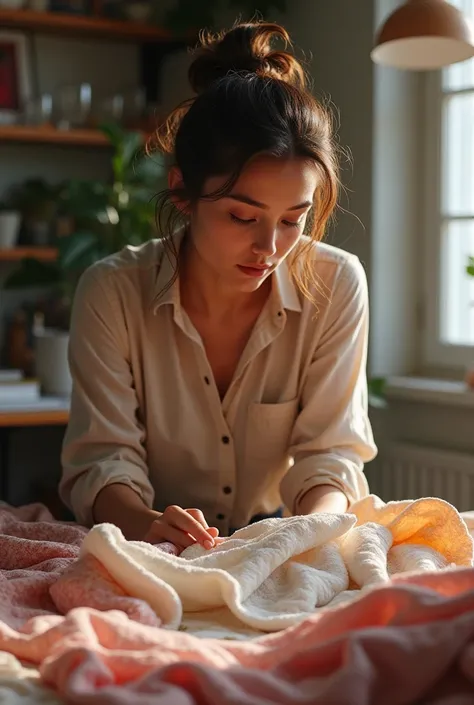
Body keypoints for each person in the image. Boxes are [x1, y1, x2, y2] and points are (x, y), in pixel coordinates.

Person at [59, 21, 377, 553]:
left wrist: (308, 533)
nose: (270, 249)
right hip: (148, 539)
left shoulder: (335, 283)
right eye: (241, 216)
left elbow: (331, 454)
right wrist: (146, 524)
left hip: (277, 535)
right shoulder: (112, 292)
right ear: (181, 190)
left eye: (292, 219)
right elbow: (102, 459)